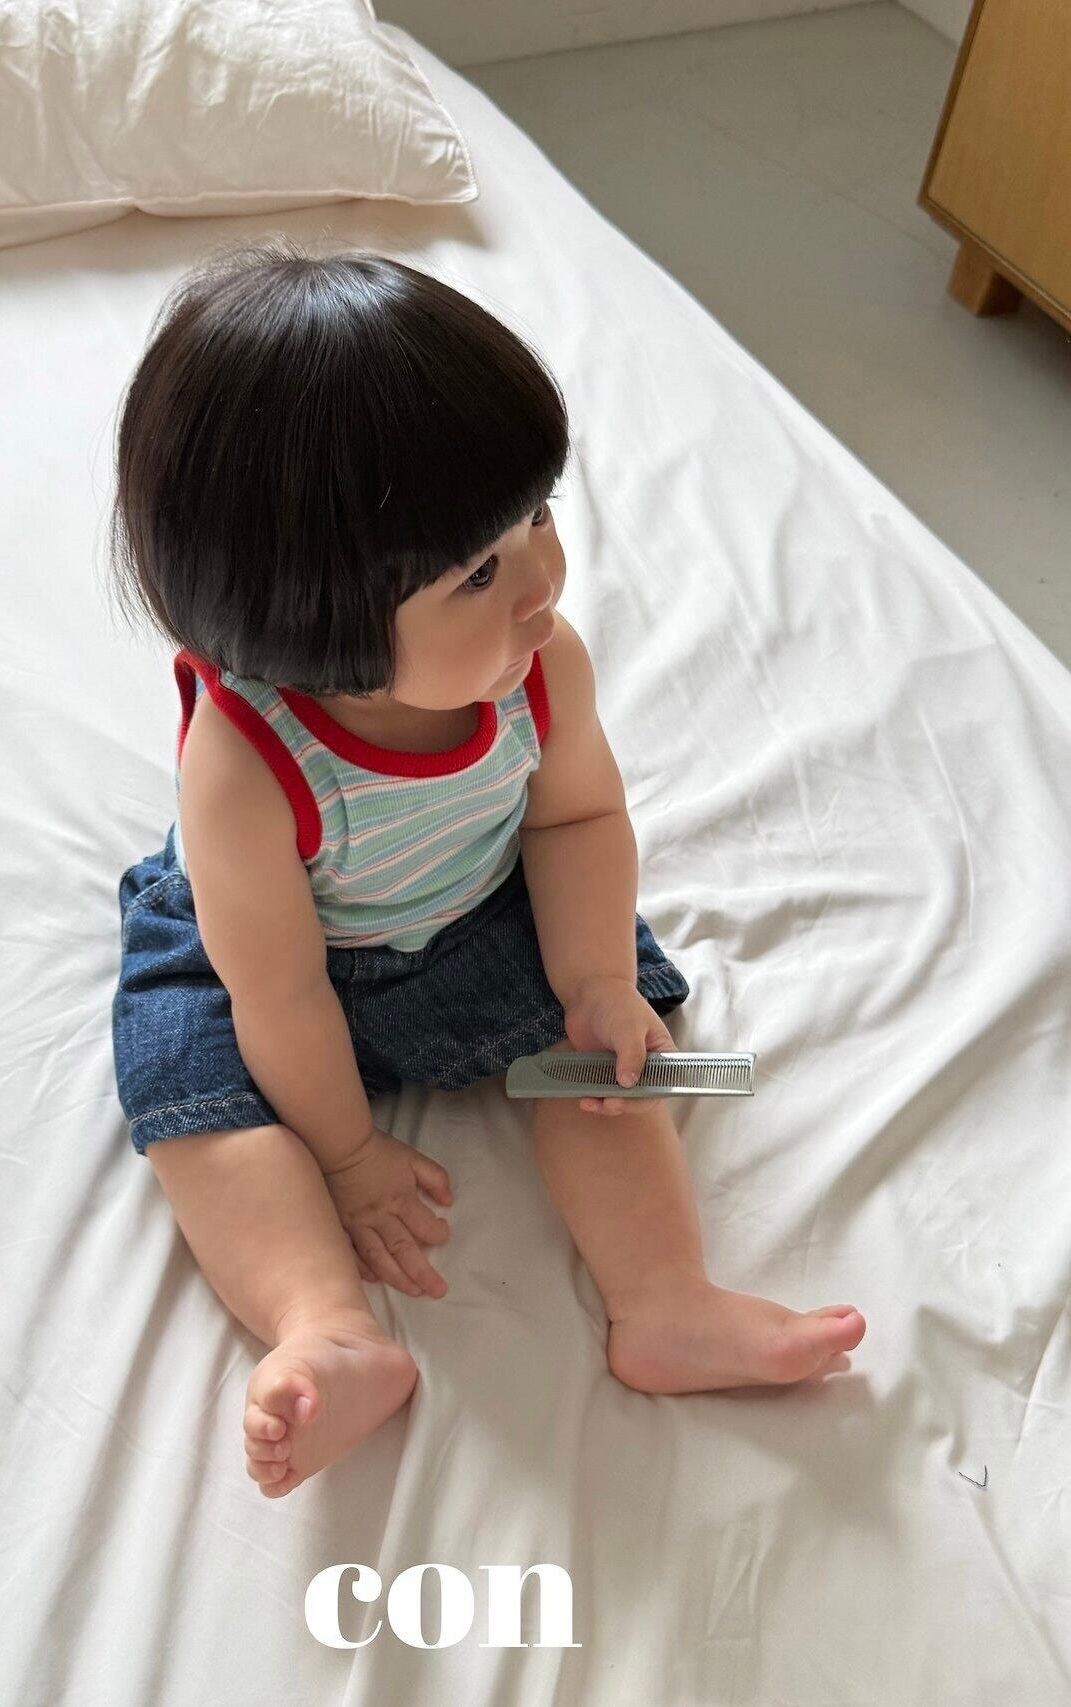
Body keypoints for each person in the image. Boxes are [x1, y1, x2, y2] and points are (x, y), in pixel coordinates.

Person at [108, 239, 866, 1500]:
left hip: (475, 904)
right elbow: (278, 994)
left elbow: (576, 823)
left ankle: (663, 1304)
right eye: (478, 571)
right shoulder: (244, 767)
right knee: (196, 1105)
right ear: (311, 613)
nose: (539, 588)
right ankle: (325, 1329)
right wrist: (348, 1157)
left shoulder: (537, 665)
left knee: (607, 1065)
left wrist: (592, 984)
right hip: (271, 965)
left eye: (537, 519)